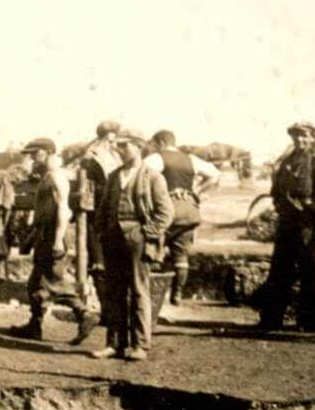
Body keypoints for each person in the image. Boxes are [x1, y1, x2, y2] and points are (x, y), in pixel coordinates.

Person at [8, 138, 99, 345]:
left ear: (48, 152)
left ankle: (85, 313)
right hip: (45, 233)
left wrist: (57, 240)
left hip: (53, 235)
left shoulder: (56, 176)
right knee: (35, 284)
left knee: (54, 281)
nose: (32, 158)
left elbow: (64, 211)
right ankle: (34, 325)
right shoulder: (48, 175)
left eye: (35, 153)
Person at [97, 128, 173, 361]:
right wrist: (102, 233)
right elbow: (103, 209)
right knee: (114, 292)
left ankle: (140, 344)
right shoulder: (113, 176)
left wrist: (145, 232)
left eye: (125, 145)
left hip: (137, 239)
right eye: (117, 146)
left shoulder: (152, 176)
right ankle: (115, 344)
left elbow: (166, 212)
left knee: (139, 290)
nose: (119, 150)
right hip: (113, 239)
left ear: (138, 147)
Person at [258, 121, 315, 332]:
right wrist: (278, 203)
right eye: (296, 136)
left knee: (307, 268)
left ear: (312, 137)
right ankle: (271, 318)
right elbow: (276, 188)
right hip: (287, 219)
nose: (299, 140)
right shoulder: (287, 160)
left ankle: (307, 320)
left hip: (307, 222)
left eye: (304, 136)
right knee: (280, 267)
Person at [144, 129, 220, 309]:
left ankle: (152, 296)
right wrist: (198, 191)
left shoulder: (155, 158)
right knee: (181, 254)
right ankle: (177, 294)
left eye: (155, 144)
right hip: (188, 210)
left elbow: (142, 177)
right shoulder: (191, 159)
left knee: (154, 251)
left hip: (166, 211)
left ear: (161, 142)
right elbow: (214, 174)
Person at [75, 120, 122, 346]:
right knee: (100, 264)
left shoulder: (113, 154)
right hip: (98, 214)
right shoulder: (94, 154)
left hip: (109, 213)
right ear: (105, 135)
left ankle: (107, 312)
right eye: (110, 135)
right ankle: (105, 311)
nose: (113, 140)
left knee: (106, 265)